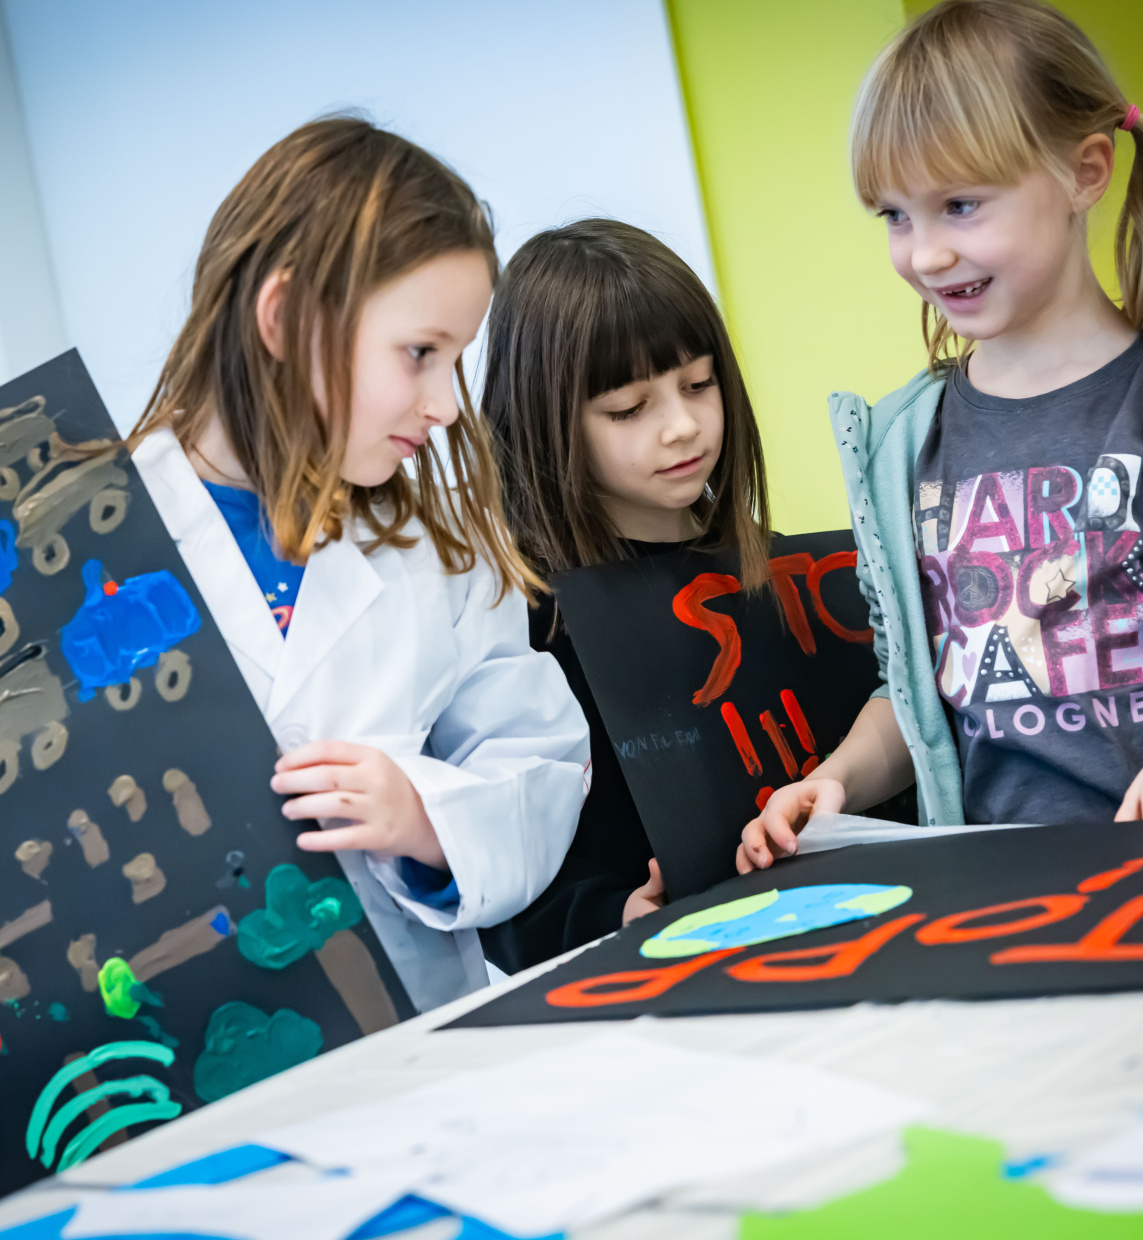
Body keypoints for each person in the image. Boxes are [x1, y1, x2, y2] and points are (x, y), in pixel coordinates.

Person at [740, 0, 1143, 873]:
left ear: (1086, 172)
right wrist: (838, 780)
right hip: (996, 899)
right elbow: (917, 696)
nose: (924, 255)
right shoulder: (900, 442)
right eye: (894, 216)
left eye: (960, 205)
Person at [129, 117, 590, 1010]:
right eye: (421, 353)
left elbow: (539, 758)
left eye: (456, 359)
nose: (449, 404)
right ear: (285, 318)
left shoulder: (439, 548)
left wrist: (426, 819)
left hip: (405, 1033)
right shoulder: (99, 545)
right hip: (163, 1053)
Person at [478, 219, 771, 971]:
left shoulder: (770, 571)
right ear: (547, 422)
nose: (683, 427)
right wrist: (615, 916)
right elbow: (504, 880)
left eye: (699, 384)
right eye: (628, 409)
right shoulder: (521, 624)